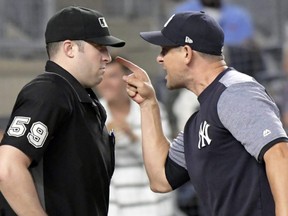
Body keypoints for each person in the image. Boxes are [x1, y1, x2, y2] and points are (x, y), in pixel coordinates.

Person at [117, 11, 288, 216]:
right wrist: (148, 104)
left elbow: (279, 154)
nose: (159, 58)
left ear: (187, 53)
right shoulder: (199, 117)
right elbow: (161, 179)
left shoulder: (235, 90)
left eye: (165, 50)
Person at [0, 6, 125, 215]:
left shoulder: (81, 98)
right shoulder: (49, 91)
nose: (107, 57)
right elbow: (7, 168)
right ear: (70, 49)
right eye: (100, 47)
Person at [96, 57, 175, 216]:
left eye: (112, 76)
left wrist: (129, 135)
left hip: (154, 205)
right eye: (102, 76)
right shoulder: (92, 114)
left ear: (127, 80)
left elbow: (166, 159)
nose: (105, 83)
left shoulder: (151, 108)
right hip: (115, 206)